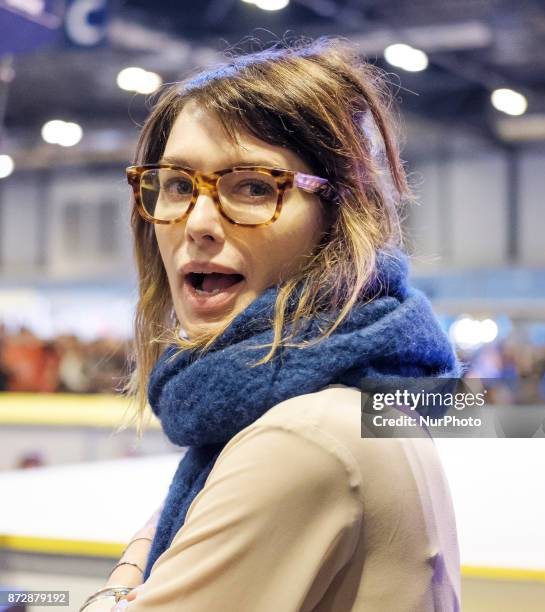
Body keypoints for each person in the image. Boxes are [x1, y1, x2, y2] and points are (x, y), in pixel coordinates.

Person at [79, 37, 464, 612]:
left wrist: (125, 577)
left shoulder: (301, 437)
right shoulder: (350, 399)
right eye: (179, 185)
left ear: (338, 217)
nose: (199, 223)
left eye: (255, 186)